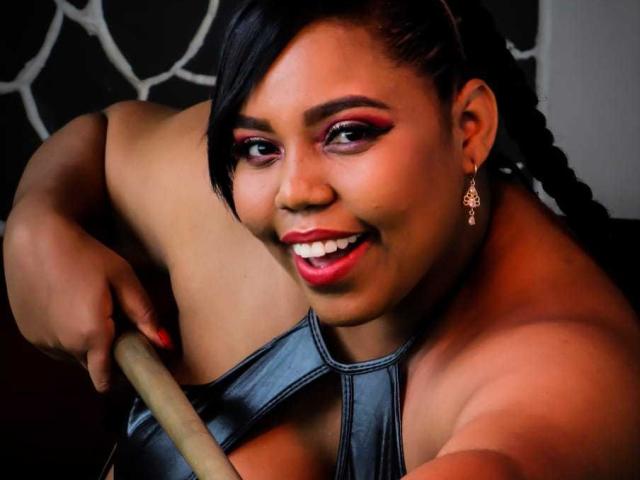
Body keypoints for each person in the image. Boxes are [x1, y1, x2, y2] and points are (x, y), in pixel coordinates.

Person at [4, 0, 640, 478]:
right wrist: (38, 223)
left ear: (469, 127)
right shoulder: (223, 205)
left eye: (348, 133)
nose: (296, 191)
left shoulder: (566, 377)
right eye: (259, 145)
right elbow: (104, 138)